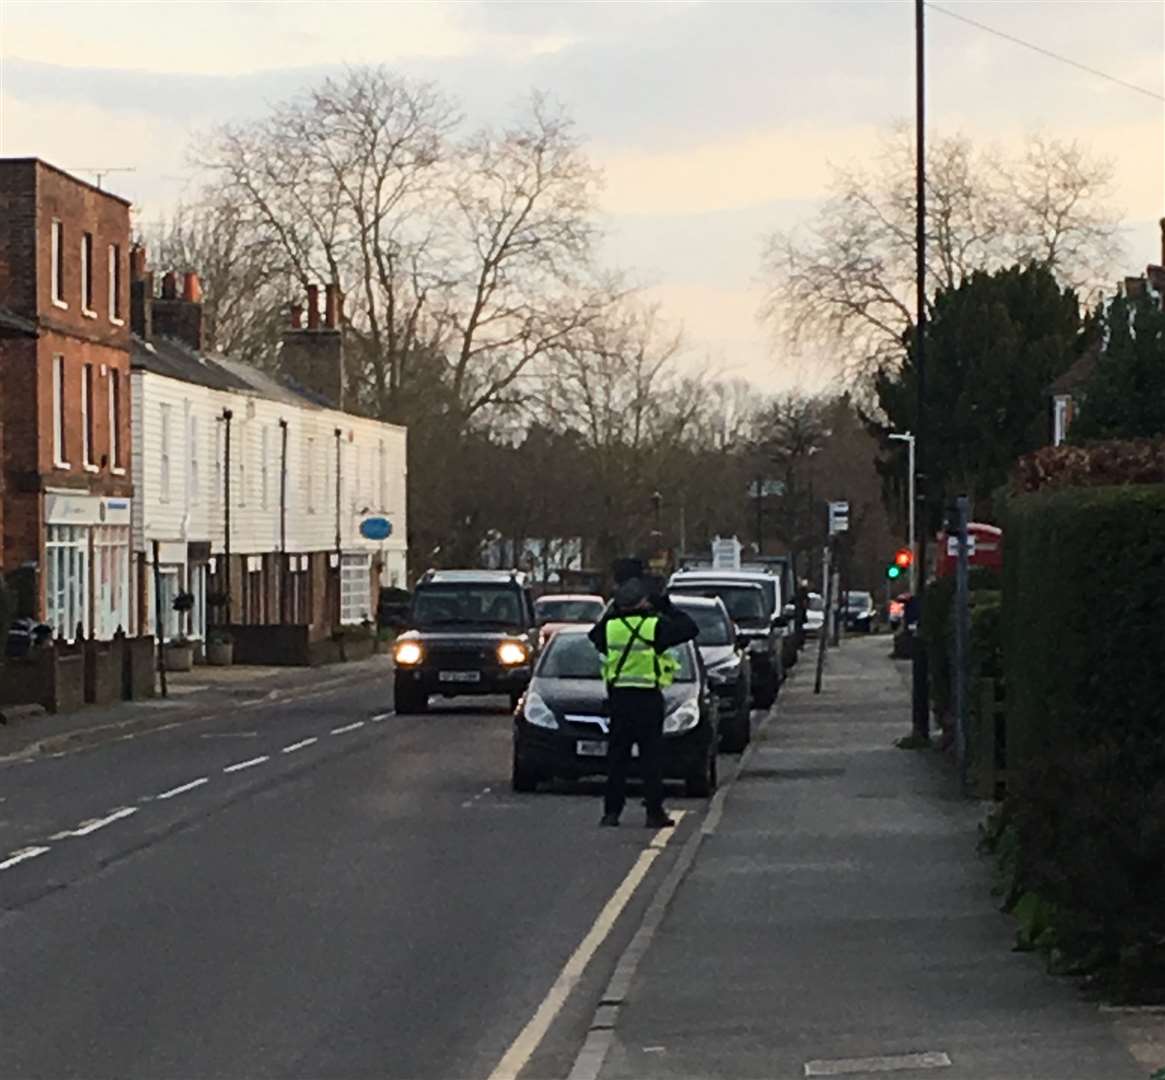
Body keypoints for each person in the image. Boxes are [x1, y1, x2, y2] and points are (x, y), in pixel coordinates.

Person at [588, 576, 699, 829]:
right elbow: (690, 628)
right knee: (651, 758)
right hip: (647, 698)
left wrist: (613, 611)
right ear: (644, 603)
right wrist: (666, 606)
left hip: (619, 699)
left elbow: (594, 636)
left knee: (617, 758)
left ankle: (611, 813)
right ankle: (654, 812)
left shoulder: (611, 628)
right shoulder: (654, 626)